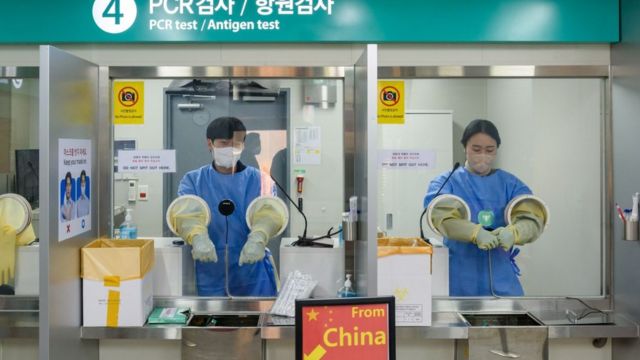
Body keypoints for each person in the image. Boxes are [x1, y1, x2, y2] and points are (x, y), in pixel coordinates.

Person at [424, 119, 543, 296]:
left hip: (502, 280)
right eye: (476, 149)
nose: (482, 156)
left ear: (496, 150)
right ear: (465, 147)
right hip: (459, 279)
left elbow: (533, 218)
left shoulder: (510, 184)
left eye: (489, 150)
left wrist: (515, 232)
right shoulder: (446, 183)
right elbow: (442, 218)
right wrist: (474, 232)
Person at [178, 116, 277, 296]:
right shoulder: (193, 181)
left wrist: (259, 237)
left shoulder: (260, 181)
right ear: (210, 144)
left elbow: (269, 214)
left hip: (252, 274)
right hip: (209, 274)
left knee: (256, 322)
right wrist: (197, 237)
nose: (230, 149)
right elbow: (187, 215)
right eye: (224, 143)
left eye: (236, 144)